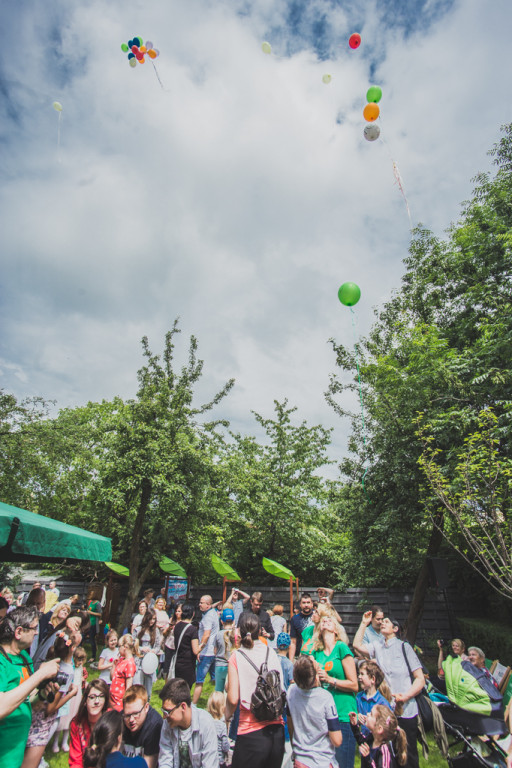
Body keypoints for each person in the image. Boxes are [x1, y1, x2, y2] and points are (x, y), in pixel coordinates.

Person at [353, 612, 425, 768]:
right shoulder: (378, 646)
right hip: (385, 711)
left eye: (386, 621)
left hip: (405, 710)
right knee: (387, 755)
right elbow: (357, 645)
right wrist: (364, 623)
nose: (382, 623)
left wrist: (405, 696)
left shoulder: (404, 647)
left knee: (408, 753)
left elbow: (420, 679)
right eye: (381, 621)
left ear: (395, 628)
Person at [0, 606, 61, 768]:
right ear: (18, 632)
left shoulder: (25, 657)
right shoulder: (1, 661)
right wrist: (39, 675)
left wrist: (40, 695)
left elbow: (25, 700)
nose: (36, 633)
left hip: (16, 752)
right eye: (34, 628)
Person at [226, 612, 285, 768]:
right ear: (260, 630)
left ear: (238, 631)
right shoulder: (271, 652)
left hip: (251, 730)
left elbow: (232, 698)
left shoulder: (236, 656)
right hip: (276, 730)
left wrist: (225, 716)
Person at [22, 630, 80, 768]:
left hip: (30, 713)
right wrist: (71, 694)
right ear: (71, 649)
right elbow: (50, 708)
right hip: (41, 722)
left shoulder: (51, 662)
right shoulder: (67, 672)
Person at [311, 614, 358, 768]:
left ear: (336, 630)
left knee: (343, 762)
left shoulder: (341, 648)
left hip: (343, 714)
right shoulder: (317, 653)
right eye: (323, 620)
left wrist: (331, 680)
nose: (325, 620)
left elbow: (354, 685)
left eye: (330, 620)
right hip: (324, 716)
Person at [286, 654, 342, 768]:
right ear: (314, 673)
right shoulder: (325, 697)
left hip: (301, 758)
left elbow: (290, 724)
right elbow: (337, 740)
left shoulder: (291, 692)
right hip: (322, 760)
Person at [158, 677, 219, 768]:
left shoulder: (205, 723)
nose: (164, 716)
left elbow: (210, 764)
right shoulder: (167, 724)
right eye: (163, 711)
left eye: (168, 712)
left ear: (183, 706)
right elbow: (165, 761)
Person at [52, 643, 88, 753]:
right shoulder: (70, 668)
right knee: (62, 719)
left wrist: (84, 681)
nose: (80, 662)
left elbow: (83, 678)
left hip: (77, 697)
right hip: (69, 697)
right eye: (78, 659)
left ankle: (64, 742)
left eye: (82, 660)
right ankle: (55, 742)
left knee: (72, 720)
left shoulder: (81, 668)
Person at [69, 679, 110, 768]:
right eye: (92, 697)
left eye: (101, 696)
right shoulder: (76, 723)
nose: (97, 701)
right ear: (85, 701)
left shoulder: (110, 720)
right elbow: (76, 760)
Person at [121, 684, 162, 768]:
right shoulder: (120, 719)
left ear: (146, 707)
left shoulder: (154, 725)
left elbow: (149, 765)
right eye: (127, 715)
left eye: (136, 714)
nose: (131, 720)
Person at [192, 594, 219, 704]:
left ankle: (193, 704)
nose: (199, 604)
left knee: (199, 681)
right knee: (216, 680)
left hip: (206, 653)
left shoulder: (208, 617)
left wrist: (199, 648)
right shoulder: (212, 613)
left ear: (208, 605)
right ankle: (218, 701)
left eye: (201, 602)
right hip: (213, 652)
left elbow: (206, 635)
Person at [356, 660, 393, 736]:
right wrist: (357, 717)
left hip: (379, 740)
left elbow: (390, 725)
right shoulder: (358, 697)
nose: (359, 676)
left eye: (362, 674)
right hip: (364, 740)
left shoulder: (382, 703)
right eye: (359, 674)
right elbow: (353, 715)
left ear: (373, 679)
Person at [133, 608, 162, 699]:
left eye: (154, 619)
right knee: (137, 687)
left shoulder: (156, 631)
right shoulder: (138, 630)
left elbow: (158, 646)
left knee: (148, 690)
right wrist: (141, 648)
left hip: (150, 662)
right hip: (139, 661)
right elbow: (132, 645)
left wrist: (154, 651)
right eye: (150, 619)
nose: (152, 621)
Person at [168, 602, 199, 688]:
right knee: (185, 689)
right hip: (188, 664)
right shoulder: (192, 629)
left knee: (177, 688)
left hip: (177, 661)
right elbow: (195, 650)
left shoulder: (177, 626)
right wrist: (202, 645)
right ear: (193, 614)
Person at [110, 635, 137, 712]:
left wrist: (125, 701)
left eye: (119, 646)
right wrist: (114, 665)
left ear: (125, 647)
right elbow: (112, 678)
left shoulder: (129, 663)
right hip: (112, 698)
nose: (118, 649)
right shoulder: (121, 660)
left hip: (119, 701)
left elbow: (129, 686)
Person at [214, 607, 236, 693]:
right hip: (232, 666)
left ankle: (218, 706)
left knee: (219, 691)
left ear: (221, 621)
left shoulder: (218, 634)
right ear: (233, 621)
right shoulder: (236, 634)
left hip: (219, 665)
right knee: (231, 691)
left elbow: (215, 651)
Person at [207, 691, 230, 768]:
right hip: (219, 761)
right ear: (223, 708)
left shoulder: (206, 723)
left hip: (208, 760)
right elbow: (225, 746)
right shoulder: (222, 726)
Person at [288, 592, 314, 659]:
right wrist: (291, 660)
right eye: (304, 603)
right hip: (300, 656)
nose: (306, 605)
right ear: (300, 604)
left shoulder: (317, 616)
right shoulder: (295, 619)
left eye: (308, 602)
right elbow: (293, 642)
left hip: (315, 655)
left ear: (312, 604)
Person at [162, 603, 182, 678]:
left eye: (179, 611)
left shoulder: (183, 622)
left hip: (178, 645)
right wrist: (169, 628)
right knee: (167, 665)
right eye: (176, 611)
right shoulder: (171, 620)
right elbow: (164, 633)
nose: (177, 613)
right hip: (169, 644)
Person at [87, 592, 103, 663]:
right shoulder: (91, 602)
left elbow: (100, 613)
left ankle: (93, 657)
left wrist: (91, 613)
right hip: (88, 623)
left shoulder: (97, 604)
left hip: (94, 624)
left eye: (91, 594)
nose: (89, 595)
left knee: (92, 640)